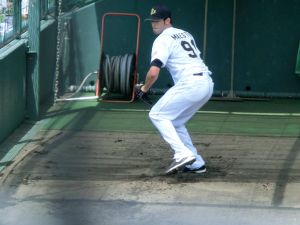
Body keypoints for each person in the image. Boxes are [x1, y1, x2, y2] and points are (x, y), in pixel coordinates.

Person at [136, 5, 214, 174]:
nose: (154, 24)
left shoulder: (163, 39)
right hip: (206, 84)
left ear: (167, 21)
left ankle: (182, 154)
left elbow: (154, 72)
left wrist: (144, 88)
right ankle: (196, 163)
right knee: (175, 122)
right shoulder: (185, 34)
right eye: (152, 21)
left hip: (191, 83)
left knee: (156, 114)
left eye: (157, 21)